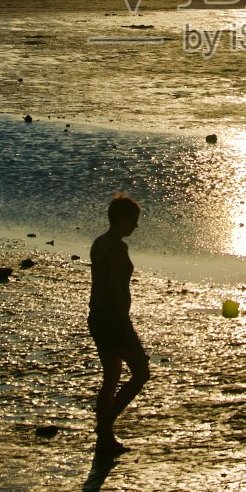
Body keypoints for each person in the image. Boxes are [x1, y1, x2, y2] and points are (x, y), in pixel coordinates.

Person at [89, 192, 149, 456]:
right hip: (113, 319)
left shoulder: (99, 242)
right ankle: (104, 427)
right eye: (133, 220)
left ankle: (105, 437)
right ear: (121, 219)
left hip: (97, 317)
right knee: (141, 373)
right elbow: (115, 288)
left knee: (111, 376)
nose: (136, 226)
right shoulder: (117, 248)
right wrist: (125, 323)